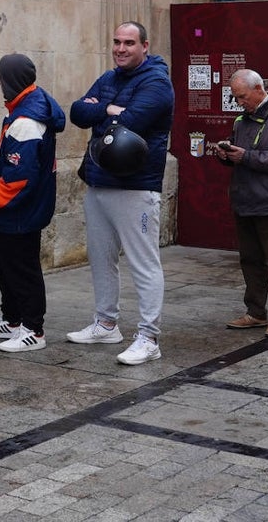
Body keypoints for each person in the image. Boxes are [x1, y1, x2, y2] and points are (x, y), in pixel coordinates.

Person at [66, 21, 174, 365]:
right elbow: (77, 112)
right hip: (99, 180)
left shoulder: (157, 82)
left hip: (135, 186)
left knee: (143, 263)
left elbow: (130, 123)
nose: (121, 48)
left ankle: (148, 337)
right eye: (116, 42)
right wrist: (108, 110)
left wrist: (106, 109)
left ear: (145, 45)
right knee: (100, 258)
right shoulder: (110, 77)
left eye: (129, 43)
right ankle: (106, 323)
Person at [0, 54, 66, 353]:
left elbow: (20, 176)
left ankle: (33, 329)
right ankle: (13, 320)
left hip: (18, 210)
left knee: (22, 268)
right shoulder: (24, 108)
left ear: (11, 80)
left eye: (1, 77)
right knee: (4, 263)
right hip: (13, 211)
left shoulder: (27, 121)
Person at [211, 69, 268, 338]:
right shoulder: (242, 119)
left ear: (258, 89)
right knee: (250, 260)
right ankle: (255, 313)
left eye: (242, 96)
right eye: (236, 97)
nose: (239, 102)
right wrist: (226, 155)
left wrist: (246, 157)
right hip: (244, 199)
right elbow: (242, 155)